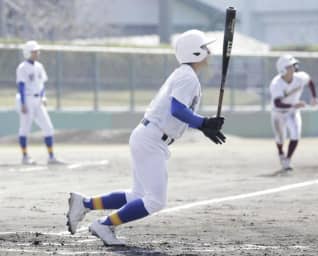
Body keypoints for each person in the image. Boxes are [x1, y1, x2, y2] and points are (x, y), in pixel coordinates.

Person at [66, 29, 226, 246]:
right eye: (205, 48)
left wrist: (204, 127)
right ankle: (104, 224)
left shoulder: (184, 74)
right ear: (196, 53)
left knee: (137, 195)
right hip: (151, 140)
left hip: (148, 136)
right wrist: (202, 122)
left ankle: (84, 203)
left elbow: (177, 113)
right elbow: (177, 109)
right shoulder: (188, 78)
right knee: (155, 201)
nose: (209, 51)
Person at [16, 40, 64, 165]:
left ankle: (51, 156)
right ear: (27, 53)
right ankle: (25, 157)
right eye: (34, 51)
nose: (37, 53)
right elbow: (21, 85)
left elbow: (41, 84)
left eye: (37, 51)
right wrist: (23, 102)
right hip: (27, 98)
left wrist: (43, 97)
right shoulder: (22, 67)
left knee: (48, 128)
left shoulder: (39, 66)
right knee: (25, 128)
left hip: (38, 100)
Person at [269, 54, 318, 171]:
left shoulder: (300, 77)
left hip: (292, 112)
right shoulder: (276, 84)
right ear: (283, 69)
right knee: (280, 138)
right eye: (290, 66)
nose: (294, 68)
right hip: (278, 113)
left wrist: (314, 97)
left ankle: (287, 160)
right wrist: (294, 104)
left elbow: (310, 81)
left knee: (295, 135)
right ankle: (281, 153)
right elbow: (277, 103)